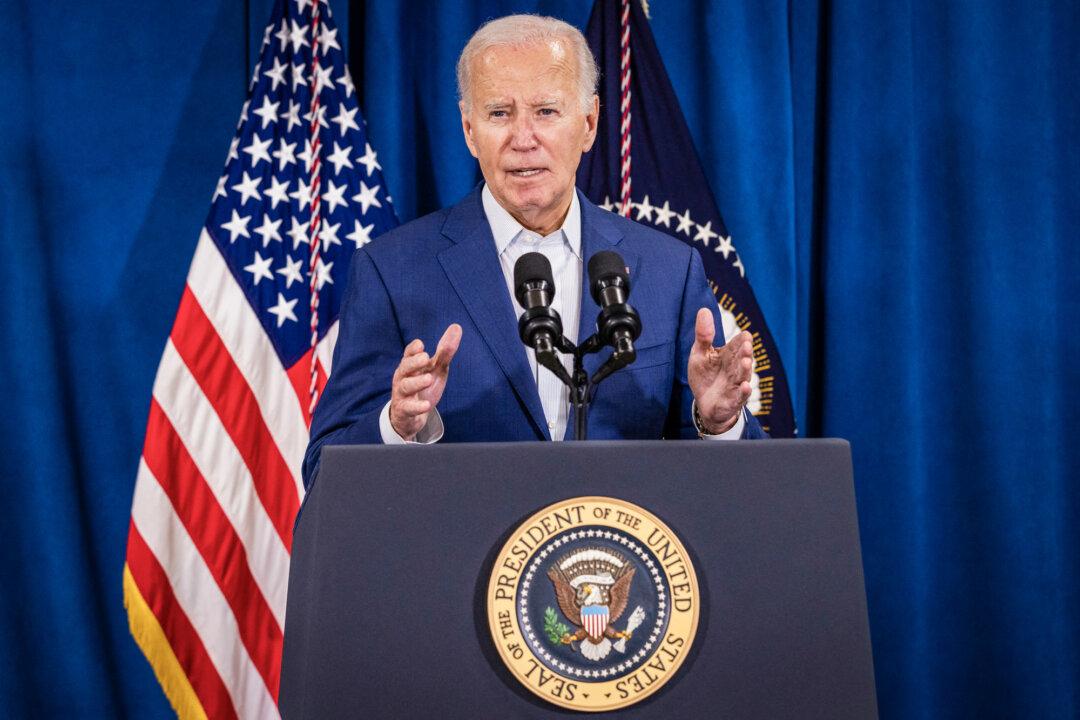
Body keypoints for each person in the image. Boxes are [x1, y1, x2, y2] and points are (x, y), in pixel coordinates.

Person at [303, 14, 765, 488]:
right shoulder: (393, 270)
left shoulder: (669, 270)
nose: (523, 139)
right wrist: (396, 426)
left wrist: (719, 423)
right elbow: (324, 470)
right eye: (499, 113)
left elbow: (739, 491)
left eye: (546, 111)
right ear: (468, 129)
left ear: (588, 124)